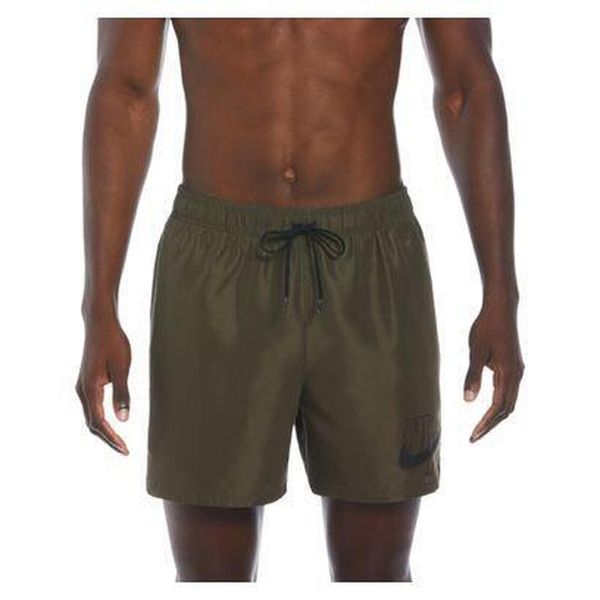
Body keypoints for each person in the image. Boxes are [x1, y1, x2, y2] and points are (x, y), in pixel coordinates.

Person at [76, 18, 524, 582]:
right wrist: (99, 305)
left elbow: (466, 87)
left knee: (378, 574)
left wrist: (501, 291)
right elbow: (125, 92)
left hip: (372, 261)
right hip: (216, 264)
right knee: (209, 578)